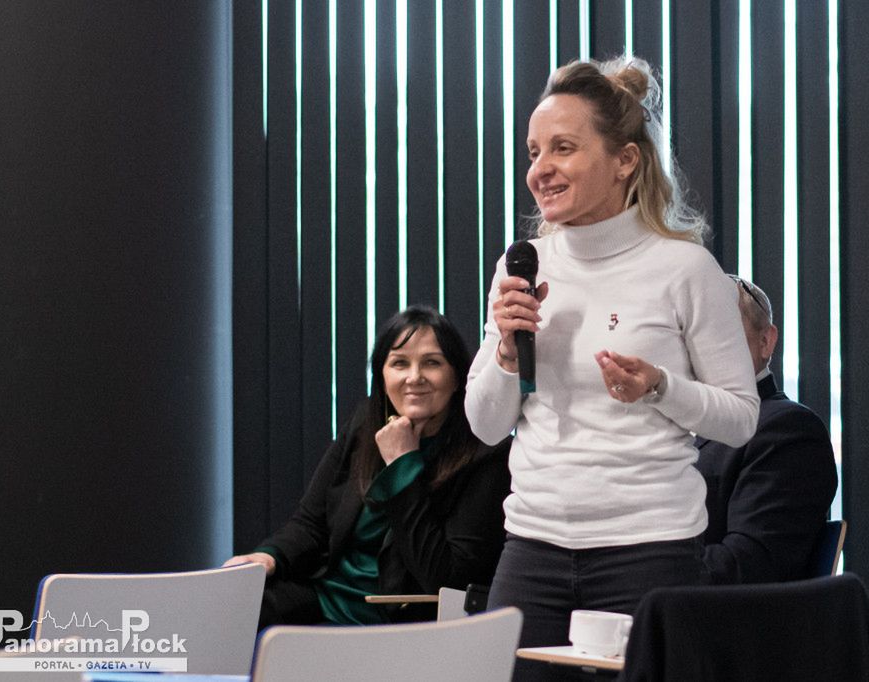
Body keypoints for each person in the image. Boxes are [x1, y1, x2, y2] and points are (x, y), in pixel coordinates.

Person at [464, 57, 759, 680]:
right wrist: (506, 354)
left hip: (650, 552)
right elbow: (487, 426)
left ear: (625, 160)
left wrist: (660, 387)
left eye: (563, 149)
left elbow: (740, 419)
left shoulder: (685, 269)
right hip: (532, 550)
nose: (539, 170)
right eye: (533, 151)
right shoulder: (522, 266)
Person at [225, 306, 512, 627]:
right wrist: (270, 556)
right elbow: (311, 523)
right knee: (234, 608)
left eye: (432, 363)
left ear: (458, 376)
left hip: (400, 615)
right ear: (382, 375)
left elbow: (445, 576)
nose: (414, 377)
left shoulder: (486, 453)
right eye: (399, 363)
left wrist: (403, 464)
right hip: (328, 597)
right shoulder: (365, 424)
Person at [694, 275, 838, 584]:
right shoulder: (668, 429)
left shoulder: (788, 431)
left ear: (766, 341)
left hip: (714, 623)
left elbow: (747, 566)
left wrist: (636, 567)